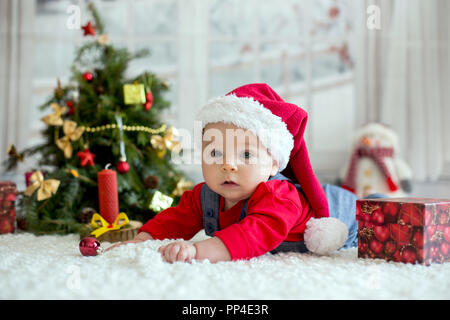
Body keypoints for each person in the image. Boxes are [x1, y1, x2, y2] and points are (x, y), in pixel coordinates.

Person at [107, 83, 356, 262]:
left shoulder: (280, 196)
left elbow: (252, 236)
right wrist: (144, 238)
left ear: (273, 164)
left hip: (345, 213)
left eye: (246, 155)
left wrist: (197, 251)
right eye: (215, 153)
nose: (228, 165)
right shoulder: (205, 195)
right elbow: (177, 218)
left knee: (380, 215)